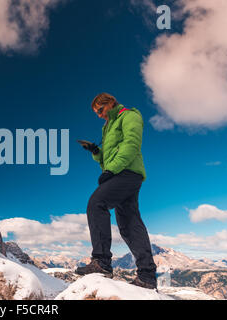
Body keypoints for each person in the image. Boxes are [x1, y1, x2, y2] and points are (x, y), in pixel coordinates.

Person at [76, 93, 158, 289]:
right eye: (96, 112)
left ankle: (102, 262)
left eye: (100, 110)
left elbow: (131, 145)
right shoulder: (107, 126)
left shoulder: (129, 116)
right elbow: (107, 158)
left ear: (111, 103)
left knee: (96, 203)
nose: (99, 115)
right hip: (119, 173)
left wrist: (112, 170)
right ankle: (146, 276)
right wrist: (96, 152)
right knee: (129, 223)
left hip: (127, 172)